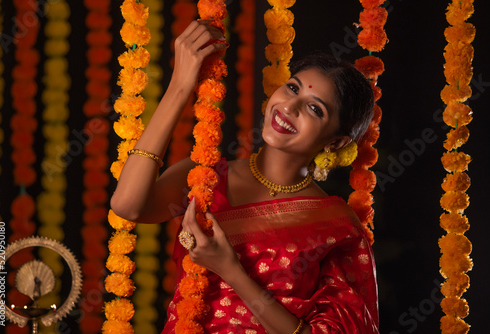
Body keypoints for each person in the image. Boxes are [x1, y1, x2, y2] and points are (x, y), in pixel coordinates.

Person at [111, 20, 379, 333]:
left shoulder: (337, 226)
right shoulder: (205, 177)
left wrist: (230, 270)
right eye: (292, 88)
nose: (289, 107)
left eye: (314, 109)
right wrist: (180, 85)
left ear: (335, 142)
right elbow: (127, 206)